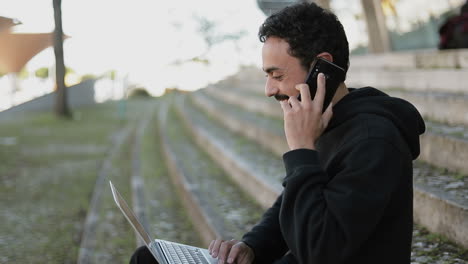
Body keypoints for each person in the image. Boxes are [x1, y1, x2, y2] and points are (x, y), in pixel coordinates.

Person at [130, 2, 425, 264]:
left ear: (322, 67)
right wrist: (252, 247)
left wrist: (301, 152)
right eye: (267, 76)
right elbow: (293, 202)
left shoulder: (374, 140)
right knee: (149, 258)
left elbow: (320, 250)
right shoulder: (329, 120)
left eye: (278, 75)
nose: (269, 89)